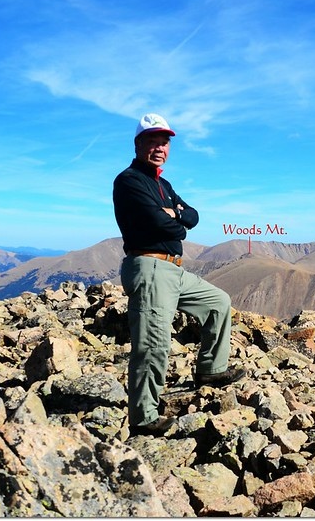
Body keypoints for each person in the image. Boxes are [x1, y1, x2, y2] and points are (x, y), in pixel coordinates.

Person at [113, 113, 246, 436]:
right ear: (138, 144)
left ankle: (210, 370)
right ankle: (144, 417)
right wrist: (173, 219)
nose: (159, 147)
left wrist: (175, 215)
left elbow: (194, 217)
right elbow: (165, 225)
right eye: (153, 141)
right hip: (150, 266)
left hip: (173, 269)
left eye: (164, 142)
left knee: (218, 302)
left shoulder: (163, 184)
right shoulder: (129, 181)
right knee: (154, 343)